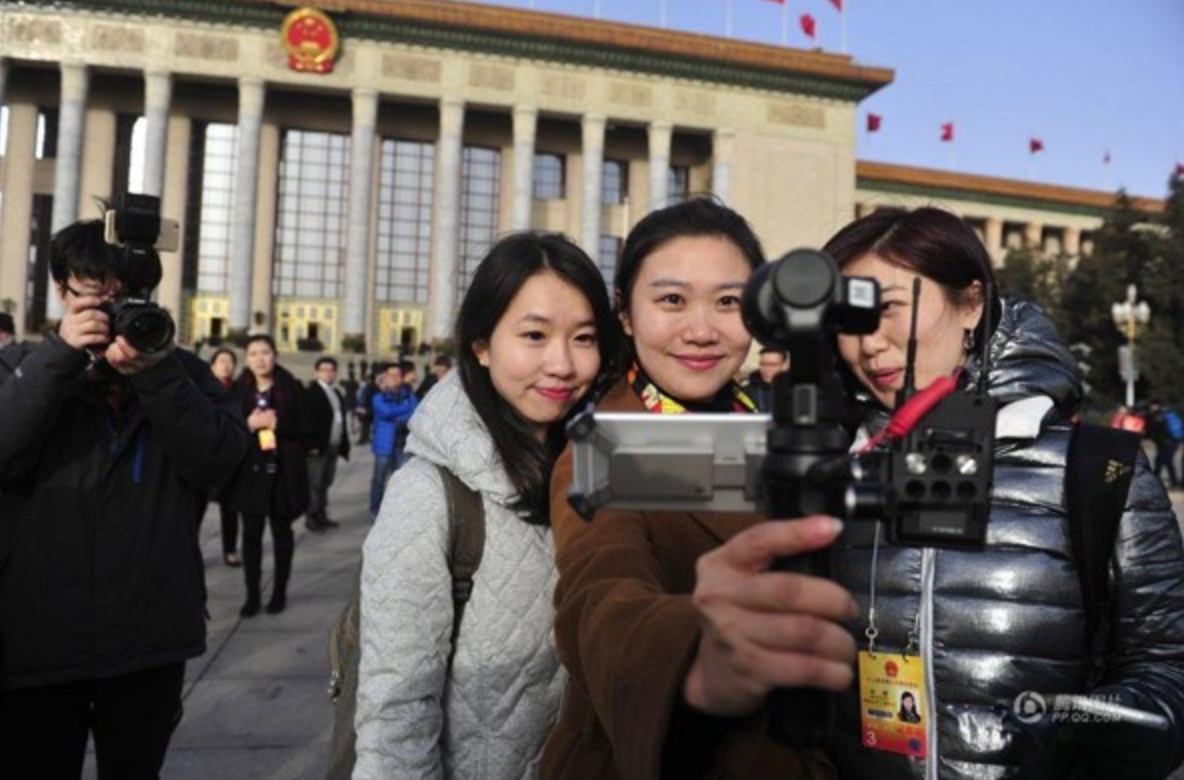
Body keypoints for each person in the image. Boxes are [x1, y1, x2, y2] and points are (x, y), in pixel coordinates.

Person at [823, 206, 1184, 778]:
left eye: (889, 308)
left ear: (970, 304)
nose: (870, 345)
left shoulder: (1098, 471)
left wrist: (1078, 726)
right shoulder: (838, 472)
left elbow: (1167, 669)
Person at [542, 198, 857, 780]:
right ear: (626, 313)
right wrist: (691, 660)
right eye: (671, 300)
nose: (702, 330)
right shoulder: (605, 445)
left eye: (729, 302)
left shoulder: (771, 425)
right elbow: (598, 593)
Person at [354, 232, 625, 779]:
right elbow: (395, 713)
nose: (562, 364)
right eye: (533, 335)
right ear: (481, 344)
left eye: (585, 338)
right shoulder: (430, 496)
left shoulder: (606, 470)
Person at [0, 218, 248, 779]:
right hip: (38, 639)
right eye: (95, 294)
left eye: (126, 296)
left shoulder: (180, 373)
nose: (112, 310)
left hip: (149, 638)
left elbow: (221, 461)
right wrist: (61, 359)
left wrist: (157, 378)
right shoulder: (19, 367)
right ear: (62, 292)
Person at [230, 334, 310, 617]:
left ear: (275, 355)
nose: (260, 358)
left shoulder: (292, 387)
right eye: (253, 353)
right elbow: (224, 429)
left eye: (265, 352)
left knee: (281, 535)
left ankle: (279, 591)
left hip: (282, 474)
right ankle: (252, 595)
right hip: (250, 475)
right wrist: (248, 423)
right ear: (247, 358)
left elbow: (307, 430)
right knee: (250, 537)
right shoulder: (239, 391)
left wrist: (281, 424)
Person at [199, 347, 243, 566]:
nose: (226, 366)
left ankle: (230, 549)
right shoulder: (199, 389)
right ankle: (189, 550)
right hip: (205, 460)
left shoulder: (240, 391)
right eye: (221, 361)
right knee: (195, 509)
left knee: (231, 510)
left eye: (230, 362)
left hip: (230, 462)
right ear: (212, 366)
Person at [305, 355, 350, 532]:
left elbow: (340, 420)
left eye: (331, 370)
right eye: (324, 370)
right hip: (318, 447)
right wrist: (311, 444)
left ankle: (322, 514)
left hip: (333, 445)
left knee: (325, 482)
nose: (328, 373)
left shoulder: (336, 392)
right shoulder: (311, 392)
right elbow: (307, 421)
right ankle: (312, 517)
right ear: (317, 372)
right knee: (314, 484)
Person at [367, 361, 418, 517]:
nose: (395, 378)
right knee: (379, 479)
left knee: (400, 481)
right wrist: (405, 410)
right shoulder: (378, 397)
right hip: (384, 445)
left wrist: (399, 417)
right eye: (391, 375)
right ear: (385, 377)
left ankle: (396, 511)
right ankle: (375, 509)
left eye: (398, 375)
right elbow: (386, 411)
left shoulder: (410, 396)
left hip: (402, 445)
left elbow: (416, 412)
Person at [1146, 400, 1182, 489]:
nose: (1152, 408)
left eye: (1153, 406)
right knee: (1165, 462)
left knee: (1160, 461)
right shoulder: (1166, 414)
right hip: (1171, 442)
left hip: (1166, 442)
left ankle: (1154, 483)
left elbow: (1156, 431)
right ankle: (1174, 483)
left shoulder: (1159, 416)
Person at [744, 346, 789, 412]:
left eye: (773, 365)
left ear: (784, 366)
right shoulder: (746, 392)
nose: (767, 369)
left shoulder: (794, 391)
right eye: (763, 364)